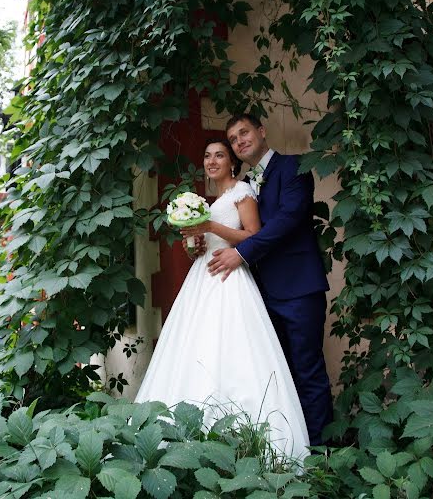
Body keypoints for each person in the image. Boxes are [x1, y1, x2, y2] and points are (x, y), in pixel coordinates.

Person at [135, 138, 310, 458]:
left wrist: (210, 225)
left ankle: (244, 438)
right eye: (206, 155)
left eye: (219, 155)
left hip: (232, 280)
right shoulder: (210, 201)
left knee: (232, 349)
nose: (211, 160)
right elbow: (202, 248)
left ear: (232, 163)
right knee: (193, 347)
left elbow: (254, 237)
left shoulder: (243, 192)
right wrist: (194, 243)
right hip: (202, 280)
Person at [203, 113, 333, 446]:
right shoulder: (243, 183)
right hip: (261, 293)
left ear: (261, 132)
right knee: (277, 375)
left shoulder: (294, 167)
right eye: (233, 139)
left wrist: (242, 253)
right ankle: (291, 447)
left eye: (243, 133)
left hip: (299, 287)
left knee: (307, 371)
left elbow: (288, 220)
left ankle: (321, 453)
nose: (239, 141)